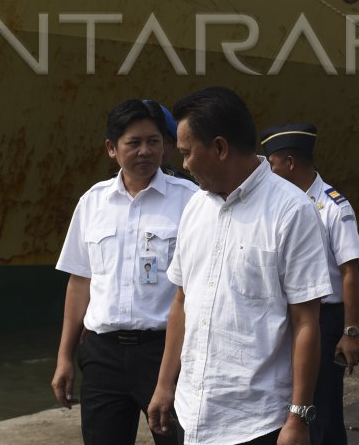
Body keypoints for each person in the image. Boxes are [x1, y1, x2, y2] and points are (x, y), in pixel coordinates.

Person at [148, 87, 332, 445]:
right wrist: (164, 385)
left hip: (258, 421)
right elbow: (182, 302)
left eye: (187, 153)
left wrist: (298, 418)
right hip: (194, 411)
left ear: (219, 148)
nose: (183, 164)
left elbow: (306, 321)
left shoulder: (291, 211)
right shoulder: (194, 208)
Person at [51, 99, 198, 445]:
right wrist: (64, 358)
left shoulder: (191, 200)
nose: (145, 151)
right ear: (111, 149)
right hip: (103, 357)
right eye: (134, 143)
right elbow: (79, 282)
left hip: (166, 353)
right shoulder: (92, 202)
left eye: (154, 141)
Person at [262, 122, 359, 445]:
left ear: (289, 163)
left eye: (272, 164)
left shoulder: (333, 206)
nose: (268, 171)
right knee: (287, 405)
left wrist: (350, 332)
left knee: (322, 410)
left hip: (323, 319)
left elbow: (349, 272)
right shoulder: (279, 205)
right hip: (289, 315)